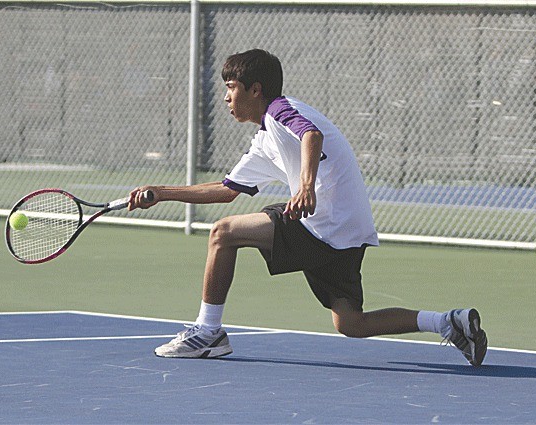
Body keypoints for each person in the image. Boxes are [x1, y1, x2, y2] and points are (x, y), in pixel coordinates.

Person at [128, 49, 488, 366]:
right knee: (351, 323)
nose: (226, 98)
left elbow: (310, 135)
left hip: (325, 221)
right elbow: (225, 190)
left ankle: (208, 333)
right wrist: (162, 192)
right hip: (345, 228)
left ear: (256, 90)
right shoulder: (267, 137)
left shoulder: (280, 110)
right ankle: (447, 322)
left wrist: (304, 186)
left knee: (223, 233)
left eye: (231, 88)